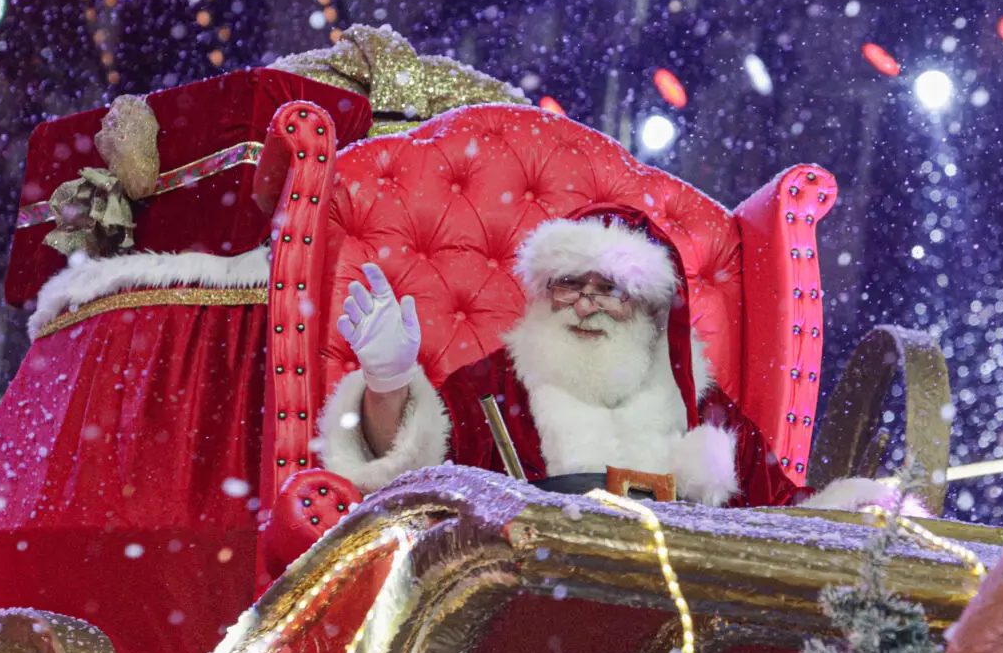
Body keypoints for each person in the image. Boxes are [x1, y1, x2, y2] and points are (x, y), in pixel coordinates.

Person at [319, 209, 891, 509]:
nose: (587, 305)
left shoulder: (698, 402)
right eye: (570, 284)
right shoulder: (496, 386)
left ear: (645, 307)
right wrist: (388, 380)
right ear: (547, 291)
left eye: (610, 289)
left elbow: (777, 509)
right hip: (524, 614)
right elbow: (406, 470)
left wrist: (856, 512)